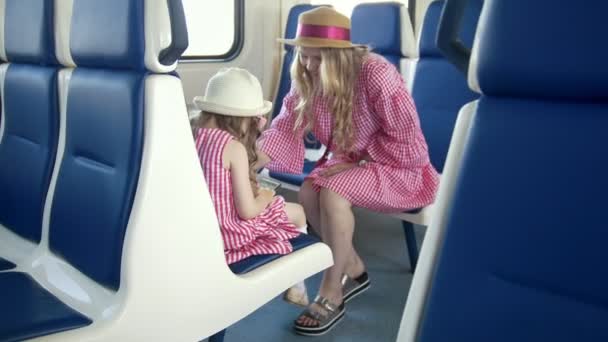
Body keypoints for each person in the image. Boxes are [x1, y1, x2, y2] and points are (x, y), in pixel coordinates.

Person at [256, 6, 440, 335]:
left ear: (340, 55)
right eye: (304, 55)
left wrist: (361, 162)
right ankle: (353, 265)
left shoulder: (377, 74)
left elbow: (407, 140)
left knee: (334, 192)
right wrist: (251, 161)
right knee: (309, 190)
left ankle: (332, 289)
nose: (309, 65)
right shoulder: (307, 76)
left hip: (400, 166)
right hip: (353, 162)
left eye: (318, 58)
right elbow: (285, 126)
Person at [192, 67, 309, 307]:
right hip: (230, 233)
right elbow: (247, 211)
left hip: (200, 228)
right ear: (242, 118)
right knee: (297, 212)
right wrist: (265, 196)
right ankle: (298, 288)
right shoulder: (233, 148)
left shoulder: (192, 134)